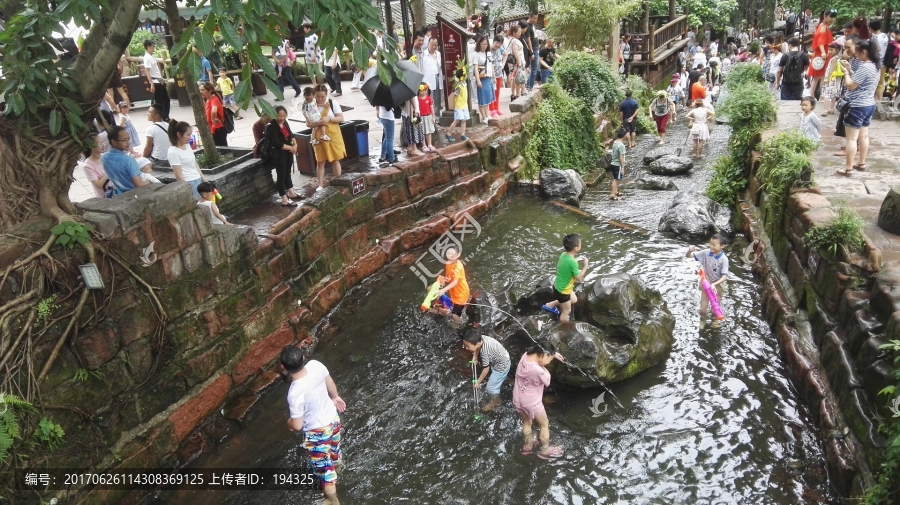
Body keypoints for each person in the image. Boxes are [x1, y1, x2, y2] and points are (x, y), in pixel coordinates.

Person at [280, 345, 346, 505]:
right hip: (333, 419)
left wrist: (288, 422)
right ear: (303, 358)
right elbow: (329, 381)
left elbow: (296, 425)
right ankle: (337, 466)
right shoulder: (316, 365)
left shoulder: (294, 393)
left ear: (283, 368)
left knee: (325, 472)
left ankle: (332, 500)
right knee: (334, 450)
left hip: (317, 432)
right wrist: (335, 397)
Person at [513, 340, 566, 460]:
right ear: (544, 355)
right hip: (531, 402)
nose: (548, 363)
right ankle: (545, 450)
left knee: (527, 422)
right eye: (549, 360)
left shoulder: (526, 355)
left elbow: (541, 355)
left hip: (518, 397)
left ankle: (528, 446)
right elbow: (547, 381)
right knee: (544, 424)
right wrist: (545, 367)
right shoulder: (538, 370)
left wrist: (553, 353)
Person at [837, 37, 878, 175]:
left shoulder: (864, 67)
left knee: (852, 139)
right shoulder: (875, 66)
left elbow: (851, 85)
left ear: (864, 52)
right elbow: (861, 81)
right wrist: (850, 69)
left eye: (859, 52)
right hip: (869, 105)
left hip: (857, 106)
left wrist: (846, 73)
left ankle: (848, 168)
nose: (857, 55)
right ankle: (861, 163)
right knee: (864, 136)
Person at [541, 233, 590, 320]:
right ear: (576, 248)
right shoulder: (573, 262)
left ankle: (549, 305)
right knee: (566, 311)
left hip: (557, 286)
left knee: (574, 300)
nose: (581, 245)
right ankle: (562, 327)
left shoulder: (563, 255)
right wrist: (585, 266)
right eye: (580, 244)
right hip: (563, 292)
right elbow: (579, 278)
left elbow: (566, 268)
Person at [307, 84, 346, 191]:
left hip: (332, 135)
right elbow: (308, 124)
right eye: (317, 96)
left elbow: (341, 118)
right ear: (314, 95)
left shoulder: (333, 103)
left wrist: (329, 119)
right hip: (318, 136)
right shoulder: (311, 106)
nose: (320, 99)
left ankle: (339, 180)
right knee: (320, 161)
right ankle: (320, 184)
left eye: (322, 97)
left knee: (335, 159)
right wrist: (316, 123)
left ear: (326, 95)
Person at [686, 234, 730, 328]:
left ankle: (715, 320)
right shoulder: (706, 253)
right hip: (705, 282)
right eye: (710, 244)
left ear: (722, 246)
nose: (711, 246)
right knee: (702, 309)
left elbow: (724, 276)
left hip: (718, 285)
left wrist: (714, 284)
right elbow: (688, 256)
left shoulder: (724, 259)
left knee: (714, 309)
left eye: (714, 244)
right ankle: (703, 320)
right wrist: (689, 250)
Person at [462, 329, 510, 412]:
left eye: (467, 346)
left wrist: (478, 382)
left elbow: (486, 369)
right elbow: (477, 347)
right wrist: (475, 356)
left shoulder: (485, 352)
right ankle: (507, 380)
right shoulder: (481, 338)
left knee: (490, 388)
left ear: (476, 343)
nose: (466, 348)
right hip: (503, 358)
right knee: (499, 378)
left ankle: (496, 401)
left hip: (501, 367)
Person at [266, 106, 301, 205]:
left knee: (287, 173)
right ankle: (284, 199)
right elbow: (277, 143)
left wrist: (295, 145)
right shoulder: (271, 126)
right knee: (281, 175)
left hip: (288, 152)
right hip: (278, 154)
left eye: (284, 116)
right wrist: (291, 148)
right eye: (279, 116)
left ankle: (291, 192)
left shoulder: (285, 123)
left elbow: (291, 135)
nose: (282, 118)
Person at [167, 119, 206, 200]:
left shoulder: (187, 145)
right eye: (188, 135)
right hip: (189, 182)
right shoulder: (173, 152)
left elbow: (194, 163)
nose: (190, 137)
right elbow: (178, 176)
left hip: (197, 179)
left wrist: (203, 178)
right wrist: (189, 191)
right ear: (178, 134)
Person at [102, 125, 149, 194]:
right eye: (124, 140)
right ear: (114, 142)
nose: (128, 142)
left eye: (128, 139)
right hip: (134, 195)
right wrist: (151, 181)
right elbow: (139, 185)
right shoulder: (128, 160)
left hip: (119, 193)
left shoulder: (104, 157)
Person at [435, 245, 470, 324]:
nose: (450, 255)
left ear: (458, 255)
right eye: (448, 253)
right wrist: (445, 279)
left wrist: (443, 290)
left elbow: (455, 282)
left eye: (452, 254)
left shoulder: (458, 266)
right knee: (456, 308)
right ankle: (460, 315)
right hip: (454, 291)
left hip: (461, 293)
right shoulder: (448, 263)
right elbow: (449, 276)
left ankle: (460, 325)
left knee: (454, 314)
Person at [808, 10, 838, 99]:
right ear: (825, 16)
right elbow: (821, 41)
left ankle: (814, 95)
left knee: (818, 77)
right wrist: (823, 52)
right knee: (822, 76)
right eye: (831, 17)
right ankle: (821, 95)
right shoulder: (823, 27)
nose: (832, 19)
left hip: (822, 53)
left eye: (834, 17)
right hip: (823, 54)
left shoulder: (822, 26)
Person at [142, 40, 170, 121]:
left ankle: (165, 115)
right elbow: (147, 71)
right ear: (148, 47)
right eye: (153, 46)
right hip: (155, 81)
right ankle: (161, 117)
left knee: (166, 99)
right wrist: (151, 83)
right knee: (159, 101)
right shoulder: (147, 58)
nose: (154, 48)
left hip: (159, 80)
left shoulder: (151, 57)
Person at [82, 132, 114, 199]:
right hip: (104, 197)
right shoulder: (87, 165)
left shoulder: (106, 157)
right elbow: (98, 184)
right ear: (91, 146)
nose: (103, 145)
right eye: (100, 144)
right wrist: (109, 172)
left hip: (116, 192)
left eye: (103, 142)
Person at [471, 35, 495, 125]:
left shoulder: (488, 53)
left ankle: (487, 115)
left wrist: (494, 76)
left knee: (488, 98)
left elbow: (491, 65)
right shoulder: (476, 54)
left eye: (486, 44)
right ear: (479, 44)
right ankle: (484, 117)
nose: (484, 46)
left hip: (488, 78)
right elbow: (475, 68)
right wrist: (478, 80)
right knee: (482, 99)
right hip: (482, 79)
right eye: (482, 44)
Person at [200, 82, 227, 146]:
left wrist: (213, 119)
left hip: (218, 128)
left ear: (210, 91)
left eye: (203, 90)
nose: (201, 92)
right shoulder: (208, 100)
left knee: (222, 149)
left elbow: (214, 111)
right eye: (200, 90)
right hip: (213, 129)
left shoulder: (214, 99)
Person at [446, 69, 470, 142]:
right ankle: (448, 133)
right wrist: (453, 105)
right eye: (464, 75)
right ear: (461, 77)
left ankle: (463, 134)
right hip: (459, 106)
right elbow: (454, 96)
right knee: (457, 121)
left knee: (464, 120)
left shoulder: (464, 84)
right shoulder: (459, 86)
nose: (466, 76)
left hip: (464, 105)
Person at [424, 38, 444, 117]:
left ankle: (437, 116)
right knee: (429, 98)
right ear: (428, 44)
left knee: (437, 98)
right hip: (428, 79)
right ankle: (429, 115)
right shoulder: (424, 54)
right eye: (432, 45)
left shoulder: (438, 54)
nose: (434, 47)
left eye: (435, 45)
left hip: (438, 77)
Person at [871, 19, 890, 101]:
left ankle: (877, 101)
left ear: (871, 28)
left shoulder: (874, 37)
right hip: (884, 63)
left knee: (874, 83)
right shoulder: (886, 36)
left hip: (875, 63)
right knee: (880, 83)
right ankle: (879, 101)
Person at [507, 25, 526, 101]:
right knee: (517, 79)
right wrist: (519, 63)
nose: (520, 33)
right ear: (514, 32)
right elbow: (516, 52)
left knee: (514, 78)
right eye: (518, 32)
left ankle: (513, 94)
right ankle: (518, 95)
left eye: (520, 32)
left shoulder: (511, 39)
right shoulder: (514, 41)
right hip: (516, 63)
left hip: (514, 63)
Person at [489, 35, 505, 118]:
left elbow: (506, 54)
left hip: (499, 74)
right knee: (492, 93)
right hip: (491, 75)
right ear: (493, 41)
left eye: (500, 43)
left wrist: (503, 64)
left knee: (497, 92)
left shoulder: (500, 49)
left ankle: (496, 108)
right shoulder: (489, 50)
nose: (498, 45)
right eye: (497, 43)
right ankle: (492, 110)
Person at [418, 83, 436, 151]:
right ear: (418, 91)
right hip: (421, 118)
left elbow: (432, 108)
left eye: (425, 90)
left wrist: (433, 117)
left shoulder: (429, 98)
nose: (424, 92)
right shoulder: (417, 99)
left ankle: (430, 144)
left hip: (428, 117)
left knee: (429, 131)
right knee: (422, 131)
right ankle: (424, 145)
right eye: (422, 90)